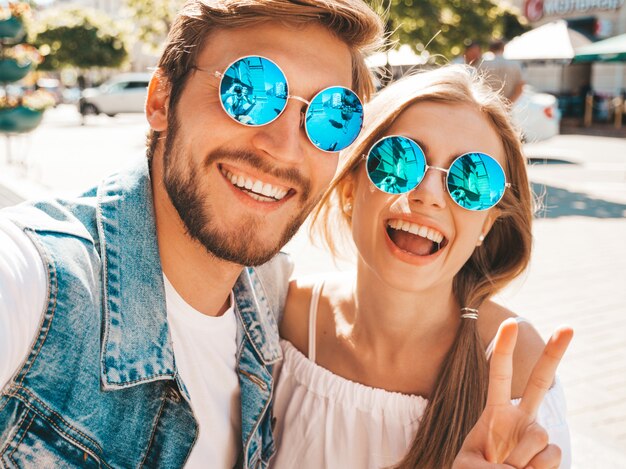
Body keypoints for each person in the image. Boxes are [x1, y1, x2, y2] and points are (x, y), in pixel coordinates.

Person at [0, 1, 384, 468]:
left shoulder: (272, 300)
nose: (284, 146)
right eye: (251, 91)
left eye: (331, 116)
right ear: (161, 99)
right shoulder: (37, 282)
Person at [273, 65, 573, 469]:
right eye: (398, 160)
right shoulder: (285, 317)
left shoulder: (514, 361)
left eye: (473, 179)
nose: (429, 194)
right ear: (349, 187)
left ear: (486, 222)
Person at [480, 39, 525, 103]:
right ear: (503, 48)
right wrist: (508, 104)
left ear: (490, 49)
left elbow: (479, 88)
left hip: (488, 105)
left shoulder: (483, 64)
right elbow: (520, 87)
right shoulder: (515, 64)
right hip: (507, 105)